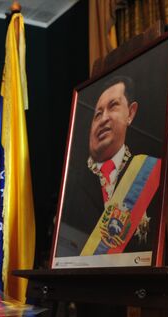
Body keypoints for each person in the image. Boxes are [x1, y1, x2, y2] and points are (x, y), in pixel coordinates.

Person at [58, 76, 161, 257]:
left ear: (130, 113)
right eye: (97, 114)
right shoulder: (72, 185)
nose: (103, 118)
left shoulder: (147, 173)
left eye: (113, 106)